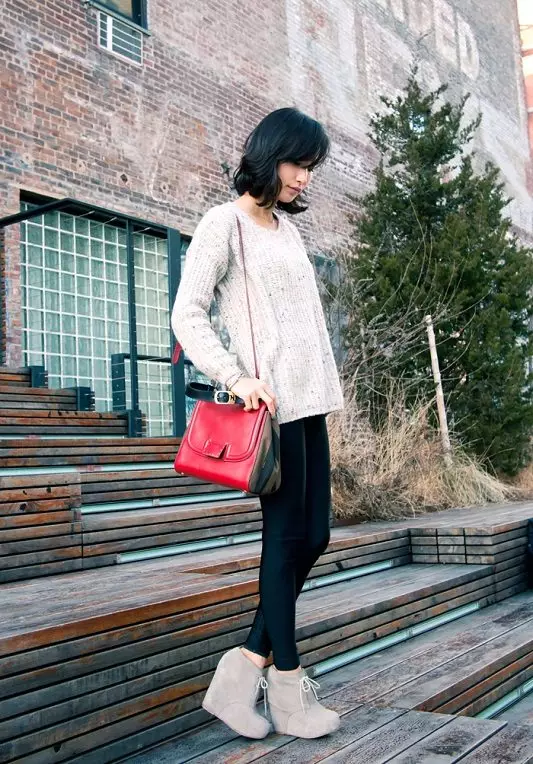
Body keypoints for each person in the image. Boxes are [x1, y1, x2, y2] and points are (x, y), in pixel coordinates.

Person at [171, 107, 344, 740]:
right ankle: (289, 689)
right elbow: (187, 315)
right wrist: (238, 379)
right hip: (268, 407)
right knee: (285, 538)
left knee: (317, 535)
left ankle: (242, 669)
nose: (305, 178)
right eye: (300, 164)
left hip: (310, 401)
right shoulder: (224, 224)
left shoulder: (286, 231)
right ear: (271, 155)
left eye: (311, 168)